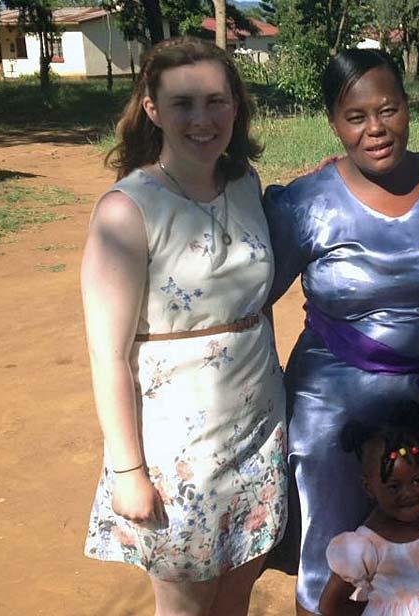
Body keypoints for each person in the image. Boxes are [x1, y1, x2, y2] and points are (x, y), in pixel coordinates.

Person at [263, 48, 419, 616]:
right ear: (334, 124)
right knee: (334, 555)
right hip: (335, 416)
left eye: (388, 110)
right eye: (355, 117)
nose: (375, 129)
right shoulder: (307, 204)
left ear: (409, 107)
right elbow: (253, 298)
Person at [80, 37, 286, 616]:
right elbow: (108, 357)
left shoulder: (247, 185)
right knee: (186, 606)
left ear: (237, 106)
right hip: (176, 451)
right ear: (152, 108)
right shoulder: (126, 211)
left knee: (236, 594)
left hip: (259, 431)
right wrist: (128, 471)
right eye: (184, 104)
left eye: (217, 101)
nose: (204, 119)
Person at [318, 404, 419, 616]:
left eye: (417, 480)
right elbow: (329, 605)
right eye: (394, 486)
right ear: (369, 487)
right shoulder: (364, 547)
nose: (408, 493)